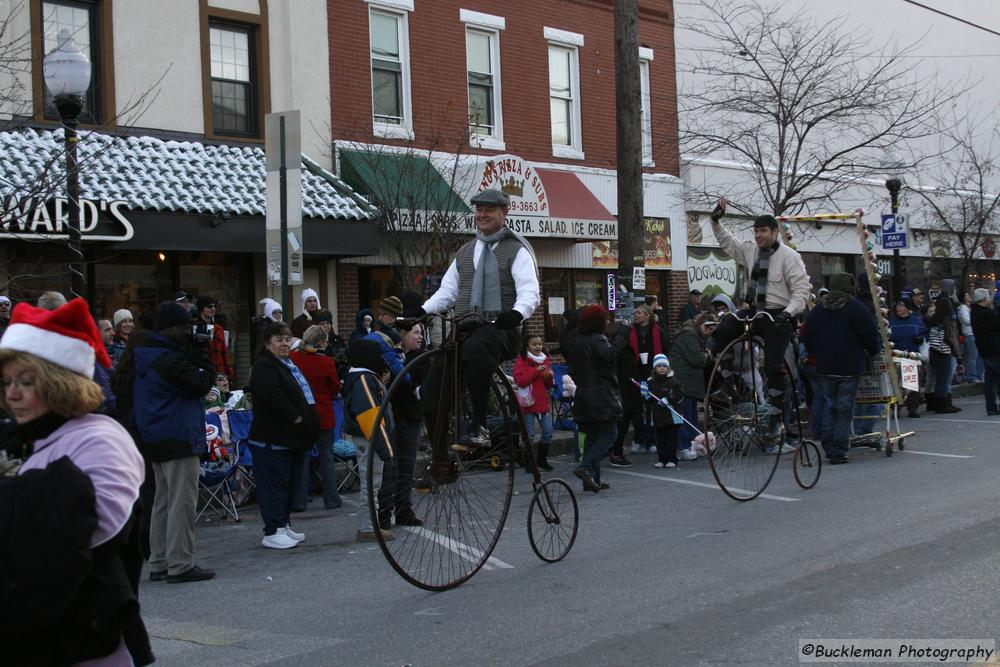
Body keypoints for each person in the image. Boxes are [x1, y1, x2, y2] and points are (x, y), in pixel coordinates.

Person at [0, 298, 153, 666]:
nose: (12, 393)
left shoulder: (101, 437)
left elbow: (89, 531)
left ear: (59, 383)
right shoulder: (20, 438)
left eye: (26, 381)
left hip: (85, 640)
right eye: (6, 382)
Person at [419, 187, 540, 447]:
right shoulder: (464, 253)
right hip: (466, 328)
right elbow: (447, 292)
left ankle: (479, 425)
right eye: (479, 210)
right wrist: (421, 311)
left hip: (501, 329)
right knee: (432, 386)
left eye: (489, 210)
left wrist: (517, 313)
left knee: (475, 350)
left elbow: (529, 292)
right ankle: (440, 458)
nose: (482, 214)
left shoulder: (516, 250)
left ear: (504, 212)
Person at [708, 198, 811, 443]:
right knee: (724, 328)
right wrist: (715, 220)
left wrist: (789, 312)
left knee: (773, 364)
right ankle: (726, 379)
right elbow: (728, 243)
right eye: (755, 231)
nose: (758, 236)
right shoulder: (751, 250)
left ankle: (776, 415)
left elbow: (801, 290)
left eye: (763, 231)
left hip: (778, 314)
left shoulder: (789, 257)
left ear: (775, 232)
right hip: (755, 310)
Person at [132, 302, 217, 581]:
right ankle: (180, 563)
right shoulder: (168, 360)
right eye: (184, 327)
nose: (188, 332)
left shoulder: (146, 356)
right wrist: (203, 354)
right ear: (169, 328)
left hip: (155, 435)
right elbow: (201, 383)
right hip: (178, 434)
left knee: (163, 501)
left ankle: (159, 561)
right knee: (181, 502)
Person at [247, 321, 319, 549]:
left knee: (286, 484)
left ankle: (283, 524)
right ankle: (272, 530)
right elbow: (272, 394)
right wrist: (296, 416)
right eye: (279, 340)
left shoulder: (287, 364)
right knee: (273, 485)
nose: (285, 344)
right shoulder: (264, 366)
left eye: (287, 339)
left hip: (290, 439)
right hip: (272, 439)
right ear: (268, 343)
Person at [801, 273, 880, 464]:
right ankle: (838, 450)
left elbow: (806, 334)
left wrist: (815, 352)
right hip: (849, 365)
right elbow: (869, 335)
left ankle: (829, 445)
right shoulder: (856, 308)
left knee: (831, 405)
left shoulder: (819, 309)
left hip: (825, 365)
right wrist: (873, 351)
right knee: (844, 409)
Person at [342, 338, 395, 541]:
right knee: (371, 483)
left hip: (367, 438)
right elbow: (370, 417)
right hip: (369, 439)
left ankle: (369, 525)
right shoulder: (364, 380)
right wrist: (385, 448)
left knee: (372, 482)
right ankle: (367, 527)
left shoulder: (361, 378)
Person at [568, 304, 625, 493]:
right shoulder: (598, 339)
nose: (608, 321)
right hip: (600, 394)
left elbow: (574, 369)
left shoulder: (578, 340)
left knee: (593, 435)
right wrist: (620, 338)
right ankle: (586, 468)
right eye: (605, 319)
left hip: (584, 393)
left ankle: (592, 479)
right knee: (609, 433)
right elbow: (609, 355)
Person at [377, 316, 425, 528]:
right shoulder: (390, 357)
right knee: (391, 467)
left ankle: (404, 509)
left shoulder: (420, 358)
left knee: (407, 466)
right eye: (415, 332)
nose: (420, 336)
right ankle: (384, 513)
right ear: (403, 336)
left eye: (421, 332)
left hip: (410, 417)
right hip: (390, 418)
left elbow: (418, 382)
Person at [290, 324, 343, 511]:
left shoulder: (293, 358)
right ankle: (331, 499)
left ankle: (298, 500)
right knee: (326, 458)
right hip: (323, 414)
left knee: (302, 458)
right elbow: (334, 389)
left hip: (302, 415)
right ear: (321, 342)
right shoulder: (326, 362)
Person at [672, 312, 717, 460]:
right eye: (707, 326)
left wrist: (705, 355)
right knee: (684, 418)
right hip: (684, 383)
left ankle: (692, 446)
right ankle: (684, 448)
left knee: (690, 417)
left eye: (712, 327)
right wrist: (706, 355)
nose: (709, 330)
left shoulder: (697, 337)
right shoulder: (689, 336)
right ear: (700, 324)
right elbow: (698, 359)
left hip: (689, 384)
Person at [513, 333, 555, 471]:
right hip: (528, 402)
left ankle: (541, 460)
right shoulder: (521, 361)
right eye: (534, 344)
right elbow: (520, 381)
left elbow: (548, 384)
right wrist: (536, 371)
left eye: (540, 344)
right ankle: (528, 462)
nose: (538, 346)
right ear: (527, 346)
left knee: (548, 432)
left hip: (543, 401)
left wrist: (549, 378)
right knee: (529, 436)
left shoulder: (545, 360)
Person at [641, 354, 684, 468]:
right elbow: (649, 402)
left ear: (668, 368)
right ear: (655, 368)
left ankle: (672, 459)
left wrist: (669, 399)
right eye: (659, 366)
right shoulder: (651, 382)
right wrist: (645, 395)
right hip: (657, 416)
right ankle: (662, 459)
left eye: (664, 366)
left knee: (671, 439)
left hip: (672, 416)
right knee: (660, 439)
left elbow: (680, 394)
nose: (662, 368)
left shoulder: (673, 381)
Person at [925, 283, 961, 413]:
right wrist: (957, 353)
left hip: (934, 351)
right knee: (943, 380)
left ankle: (935, 403)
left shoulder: (933, 320)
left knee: (935, 379)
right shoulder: (946, 320)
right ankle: (942, 405)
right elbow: (949, 338)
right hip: (943, 352)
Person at [889, 299, 928, 418]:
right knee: (896, 383)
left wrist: (921, 338)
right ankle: (896, 409)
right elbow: (887, 336)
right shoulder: (892, 323)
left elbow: (925, 334)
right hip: (897, 356)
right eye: (897, 306)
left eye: (901, 306)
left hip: (913, 355)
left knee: (913, 382)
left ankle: (913, 408)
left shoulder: (917, 321)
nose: (898, 309)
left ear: (907, 308)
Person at [970, 288, 1000, 415]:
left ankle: (991, 407)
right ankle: (992, 406)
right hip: (993, 348)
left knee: (990, 378)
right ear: (983, 299)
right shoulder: (985, 314)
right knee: (995, 378)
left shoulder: (976, 312)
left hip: (985, 348)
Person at [195, 295, 234, 381]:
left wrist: (229, 372)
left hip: (220, 372)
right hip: (203, 373)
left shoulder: (218, 328)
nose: (213, 309)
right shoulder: (195, 328)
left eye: (214, 306)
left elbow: (224, 352)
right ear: (201, 309)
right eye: (209, 306)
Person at [957, 291, 982, 383]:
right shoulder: (963, 308)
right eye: (966, 295)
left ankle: (978, 374)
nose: (968, 296)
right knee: (973, 355)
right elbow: (966, 320)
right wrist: (976, 319)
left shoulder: (970, 307)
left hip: (975, 332)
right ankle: (972, 375)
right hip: (969, 333)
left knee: (978, 355)